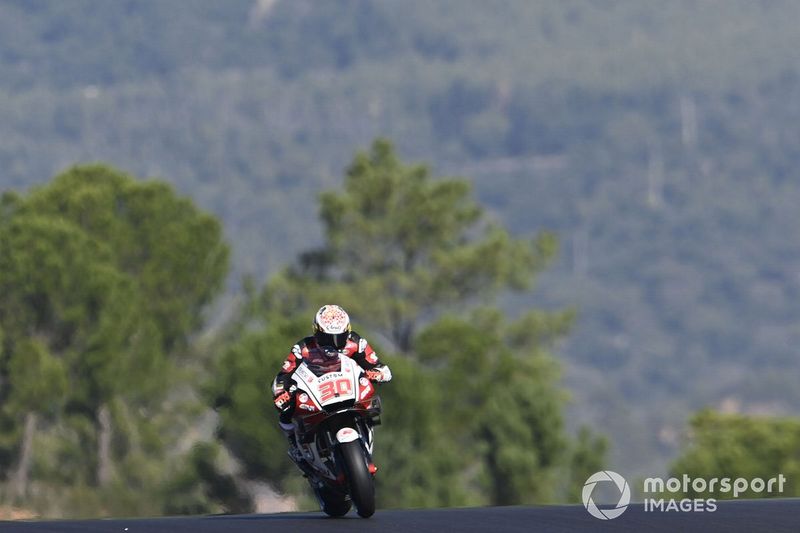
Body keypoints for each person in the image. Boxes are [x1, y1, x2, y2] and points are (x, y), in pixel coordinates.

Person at [272, 304, 392, 460]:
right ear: (317, 332)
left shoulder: (356, 343)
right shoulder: (303, 348)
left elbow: (378, 366)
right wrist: (282, 393)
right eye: (328, 338)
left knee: (370, 406)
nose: (334, 344)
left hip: (348, 391)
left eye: (340, 337)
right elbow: (284, 375)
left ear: (347, 331)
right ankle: (295, 444)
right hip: (318, 393)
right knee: (286, 410)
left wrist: (377, 373)